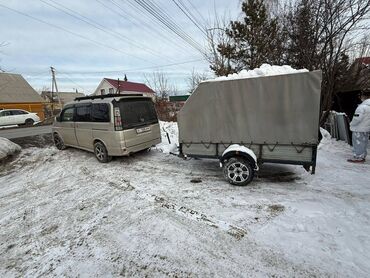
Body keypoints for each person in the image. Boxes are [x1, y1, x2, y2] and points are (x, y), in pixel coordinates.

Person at [348, 90, 370, 163]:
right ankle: (362, 156)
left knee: (358, 143)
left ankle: (358, 157)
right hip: (366, 129)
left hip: (359, 128)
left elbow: (356, 118)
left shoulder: (361, 107)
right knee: (364, 143)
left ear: (363, 97)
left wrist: (351, 124)